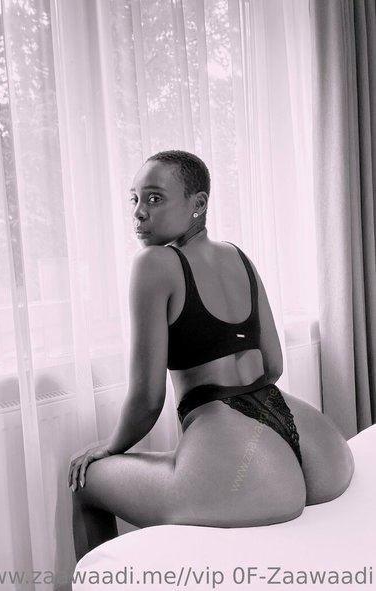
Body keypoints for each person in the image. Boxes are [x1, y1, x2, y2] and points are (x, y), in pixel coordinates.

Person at [68, 150, 354, 560]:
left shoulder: (154, 264)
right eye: (134, 199)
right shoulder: (238, 257)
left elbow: (147, 400)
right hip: (320, 448)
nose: (139, 213)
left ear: (198, 203)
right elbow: (273, 365)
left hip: (244, 457)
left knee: (86, 480)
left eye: (154, 198)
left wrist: (111, 448)